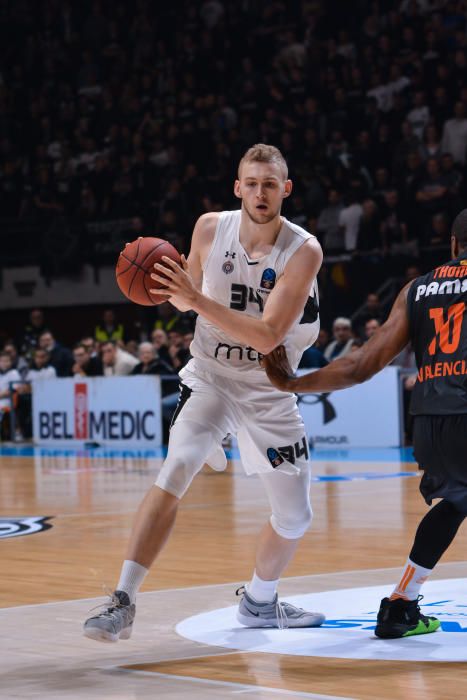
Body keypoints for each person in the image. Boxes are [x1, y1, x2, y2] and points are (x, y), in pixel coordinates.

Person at [83, 143, 325, 642]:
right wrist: (156, 284)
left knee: (296, 516)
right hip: (211, 375)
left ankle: (260, 602)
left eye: (270, 184)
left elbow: (266, 335)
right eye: (252, 184)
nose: (261, 192)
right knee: (177, 465)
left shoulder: (304, 251)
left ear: (286, 189)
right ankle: (122, 600)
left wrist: (194, 299)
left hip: (269, 388)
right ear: (238, 189)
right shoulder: (211, 228)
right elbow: (184, 294)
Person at [263, 207, 467, 640]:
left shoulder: (418, 289)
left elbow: (361, 365)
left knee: (455, 501)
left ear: (453, 246)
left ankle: (400, 605)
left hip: (430, 421)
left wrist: (293, 382)